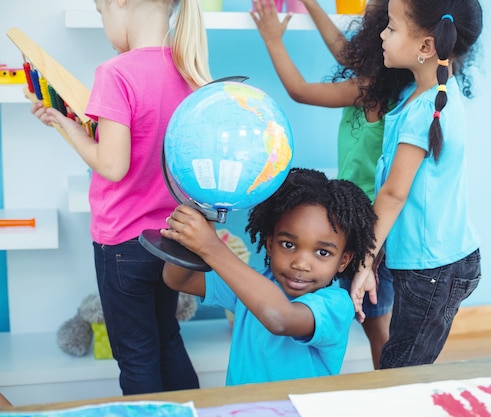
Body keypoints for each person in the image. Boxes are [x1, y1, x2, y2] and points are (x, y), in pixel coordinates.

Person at [31, 0, 211, 395]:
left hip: (123, 244)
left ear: (121, 3)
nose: (104, 25)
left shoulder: (116, 72)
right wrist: (68, 120)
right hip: (171, 239)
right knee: (167, 338)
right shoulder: (189, 70)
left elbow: (113, 166)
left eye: (101, 14)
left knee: (136, 355)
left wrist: (71, 131)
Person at [250, 0, 413, 369]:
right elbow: (346, 52)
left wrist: (273, 39)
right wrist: (311, 4)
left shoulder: (369, 89)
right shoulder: (390, 85)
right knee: (374, 319)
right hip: (372, 223)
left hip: (369, 228)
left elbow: (300, 90)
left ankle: (389, 386)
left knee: (376, 323)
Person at [350, 0, 484, 369]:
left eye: (391, 28)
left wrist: (364, 260)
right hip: (436, 264)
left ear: (426, 46)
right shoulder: (427, 99)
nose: (381, 34)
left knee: (401, 371)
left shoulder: (426, 110)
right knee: (403, 362)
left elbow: (394, 194)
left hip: (432, 273)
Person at [161, 168, 377, 385]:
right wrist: (191, 226)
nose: (301, 263)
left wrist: (211, 247)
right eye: (288, 244)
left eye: (323, 252)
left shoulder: (336, 305)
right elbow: (179, 280)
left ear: (343, 260)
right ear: (270, 243)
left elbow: (280, 319)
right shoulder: (250, 285)